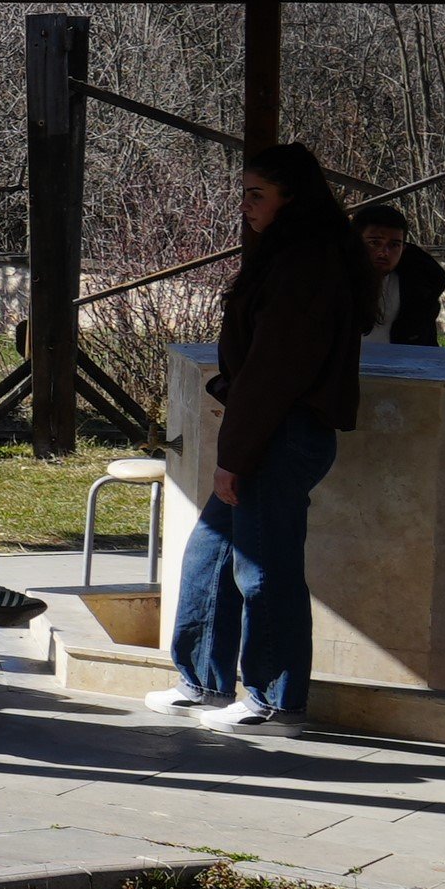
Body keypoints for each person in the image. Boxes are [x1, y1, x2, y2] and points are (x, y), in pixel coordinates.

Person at [155, 141, 370, 732]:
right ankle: (202, 681)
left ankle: (275, 699)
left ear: (291, 198)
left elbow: (275, 372)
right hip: (271, 430)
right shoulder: (288, 254)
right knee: (211, 553)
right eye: (244, 193)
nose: (245, 206)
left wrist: (235, 458)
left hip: (283, 434)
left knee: (263, 567)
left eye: (257, 195)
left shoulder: (307, 262)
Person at [358, 205, 445, 347]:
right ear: (355, 242)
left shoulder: (418, 286)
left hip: (398, 365)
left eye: (394, 245)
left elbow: (425, 343)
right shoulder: (332, 283)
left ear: (403, 248)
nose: (384, 252)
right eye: (374, 243)